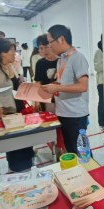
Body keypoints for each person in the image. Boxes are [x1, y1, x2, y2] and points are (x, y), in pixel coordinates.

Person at [0, 39, 35, 173]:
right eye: (12, 50)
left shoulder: (10, 66)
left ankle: (28, 164)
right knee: (15, 144)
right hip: (8, 113)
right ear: (3, 53)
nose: (15, 53)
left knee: (25, 139)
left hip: (20, 110)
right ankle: (18, 169)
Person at [40, 25, 90, 158]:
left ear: (61, 39)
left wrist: (57, 88)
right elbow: (65, 83)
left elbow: (82, 86)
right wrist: (54, 87)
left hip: (75, 114)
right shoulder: (61, 59)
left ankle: (91, 175)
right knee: (71, 150)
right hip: (63, 111)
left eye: (51, 42)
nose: (50, 46)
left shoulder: (77, 58)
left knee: (81, 151)